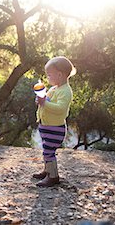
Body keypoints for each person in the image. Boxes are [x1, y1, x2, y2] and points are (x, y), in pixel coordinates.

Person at [33, 56, 76, 187]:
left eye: (49, 75)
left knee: (49, 151)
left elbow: (60, 109)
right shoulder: (54, 89)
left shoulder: (65, 91)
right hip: (46, 126)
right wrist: (41, 100)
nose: (48, 78)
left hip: (55, 128)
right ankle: (47, 171)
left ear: (59, 74)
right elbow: (47, 101)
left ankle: (53, 176)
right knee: (46, 149)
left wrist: (44, 103)